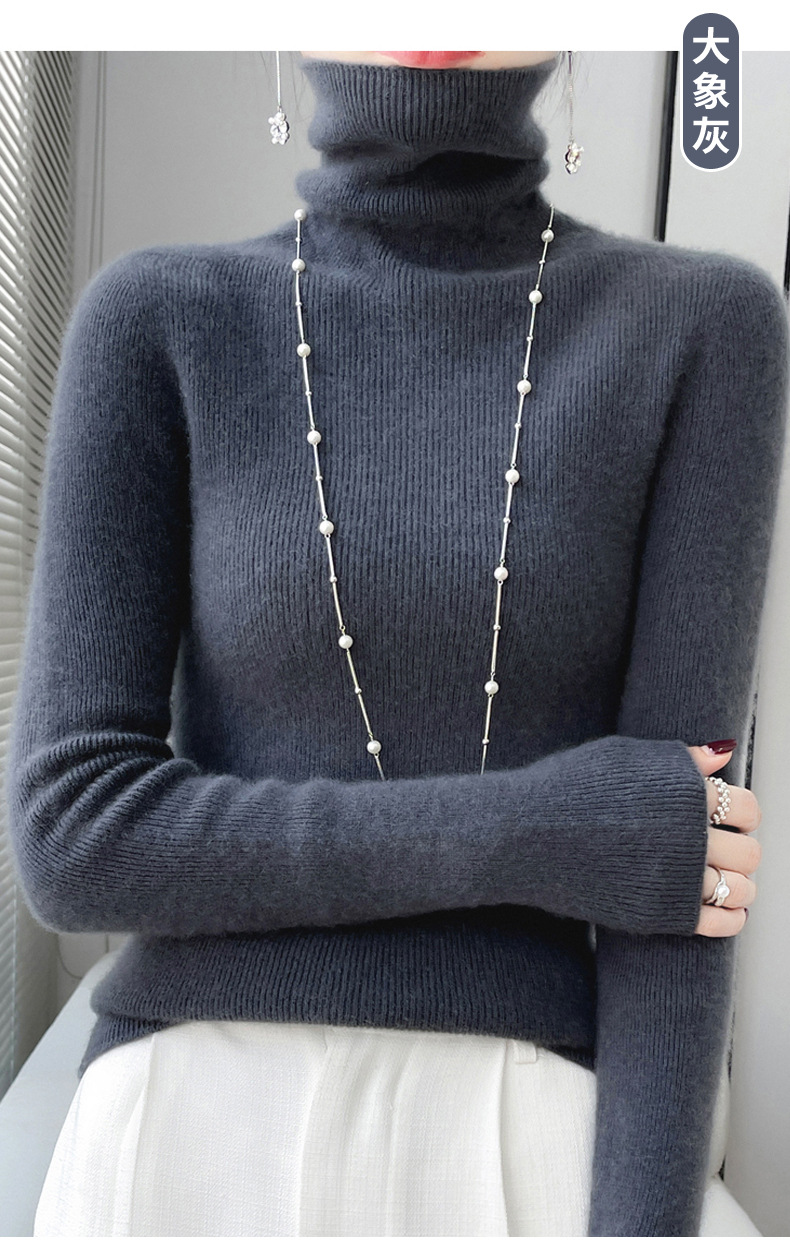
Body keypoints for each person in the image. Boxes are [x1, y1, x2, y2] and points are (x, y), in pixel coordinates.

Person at [6, 49, 787, 1236]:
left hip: (531, 1136)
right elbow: (74, 838)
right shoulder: (157, 318)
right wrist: (552, 829)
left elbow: (683, 873)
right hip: (188, 1124)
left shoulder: (703, 328)